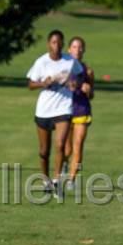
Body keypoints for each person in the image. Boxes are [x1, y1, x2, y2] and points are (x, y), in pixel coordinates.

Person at [26, 29, 83, 189]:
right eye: (53, 42)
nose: (57, 46)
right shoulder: (41, 62)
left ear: (63, 44)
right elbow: (30, 84)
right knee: (44, 151)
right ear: (48, 44)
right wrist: (43, 83)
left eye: (59, 42)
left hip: (64, 108)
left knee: (60, 145)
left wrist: (75, 83)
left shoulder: (70, 60)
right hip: (44, 110)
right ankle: (46, 181)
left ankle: (57, 180)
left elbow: (79, 75)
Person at [60, 36, 93, 191]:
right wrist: (68, 86)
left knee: (78, 145)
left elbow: (92, 94)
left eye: (80, 47)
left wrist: (88, 90)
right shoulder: (63, 68)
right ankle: (65, 162)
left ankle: (72, 179)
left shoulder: (88, 71)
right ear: (69, 49)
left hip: (82, 110)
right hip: (64, 110)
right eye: (74, 46)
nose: (77, 50)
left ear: (84, 50)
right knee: (66, 148)